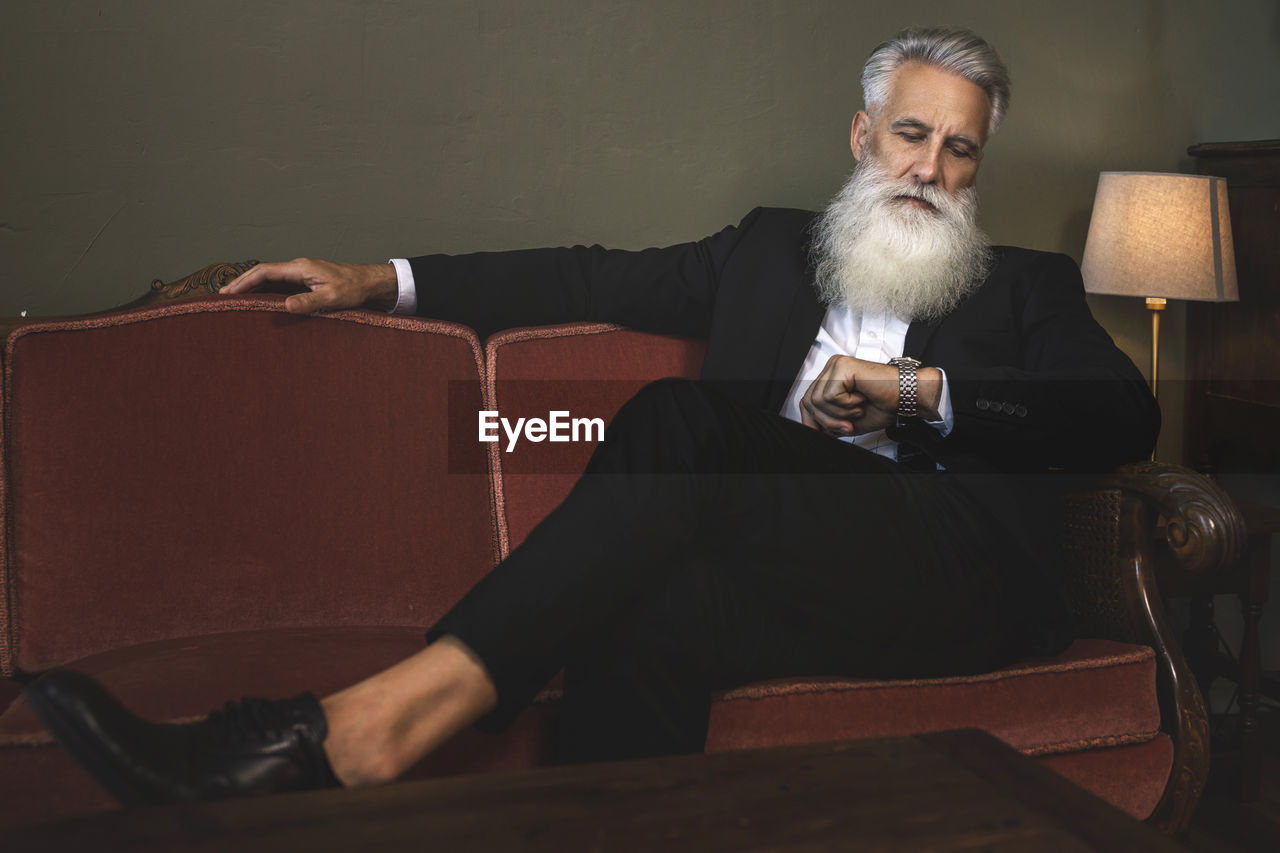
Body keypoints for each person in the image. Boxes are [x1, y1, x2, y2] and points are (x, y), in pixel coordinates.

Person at [24, 27, 1159, 805]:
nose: (930, 165)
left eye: (958, 148)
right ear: (861, 140)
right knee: (649, 608)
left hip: (953, 571)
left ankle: (369, 724)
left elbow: (1118, 417)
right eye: (910, 135)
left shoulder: (1022, 285)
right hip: (795, 562)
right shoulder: (766, 252)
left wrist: (918, 395)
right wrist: (384, 278)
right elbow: (582, 278)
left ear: (976, 168)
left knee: (683, 419)